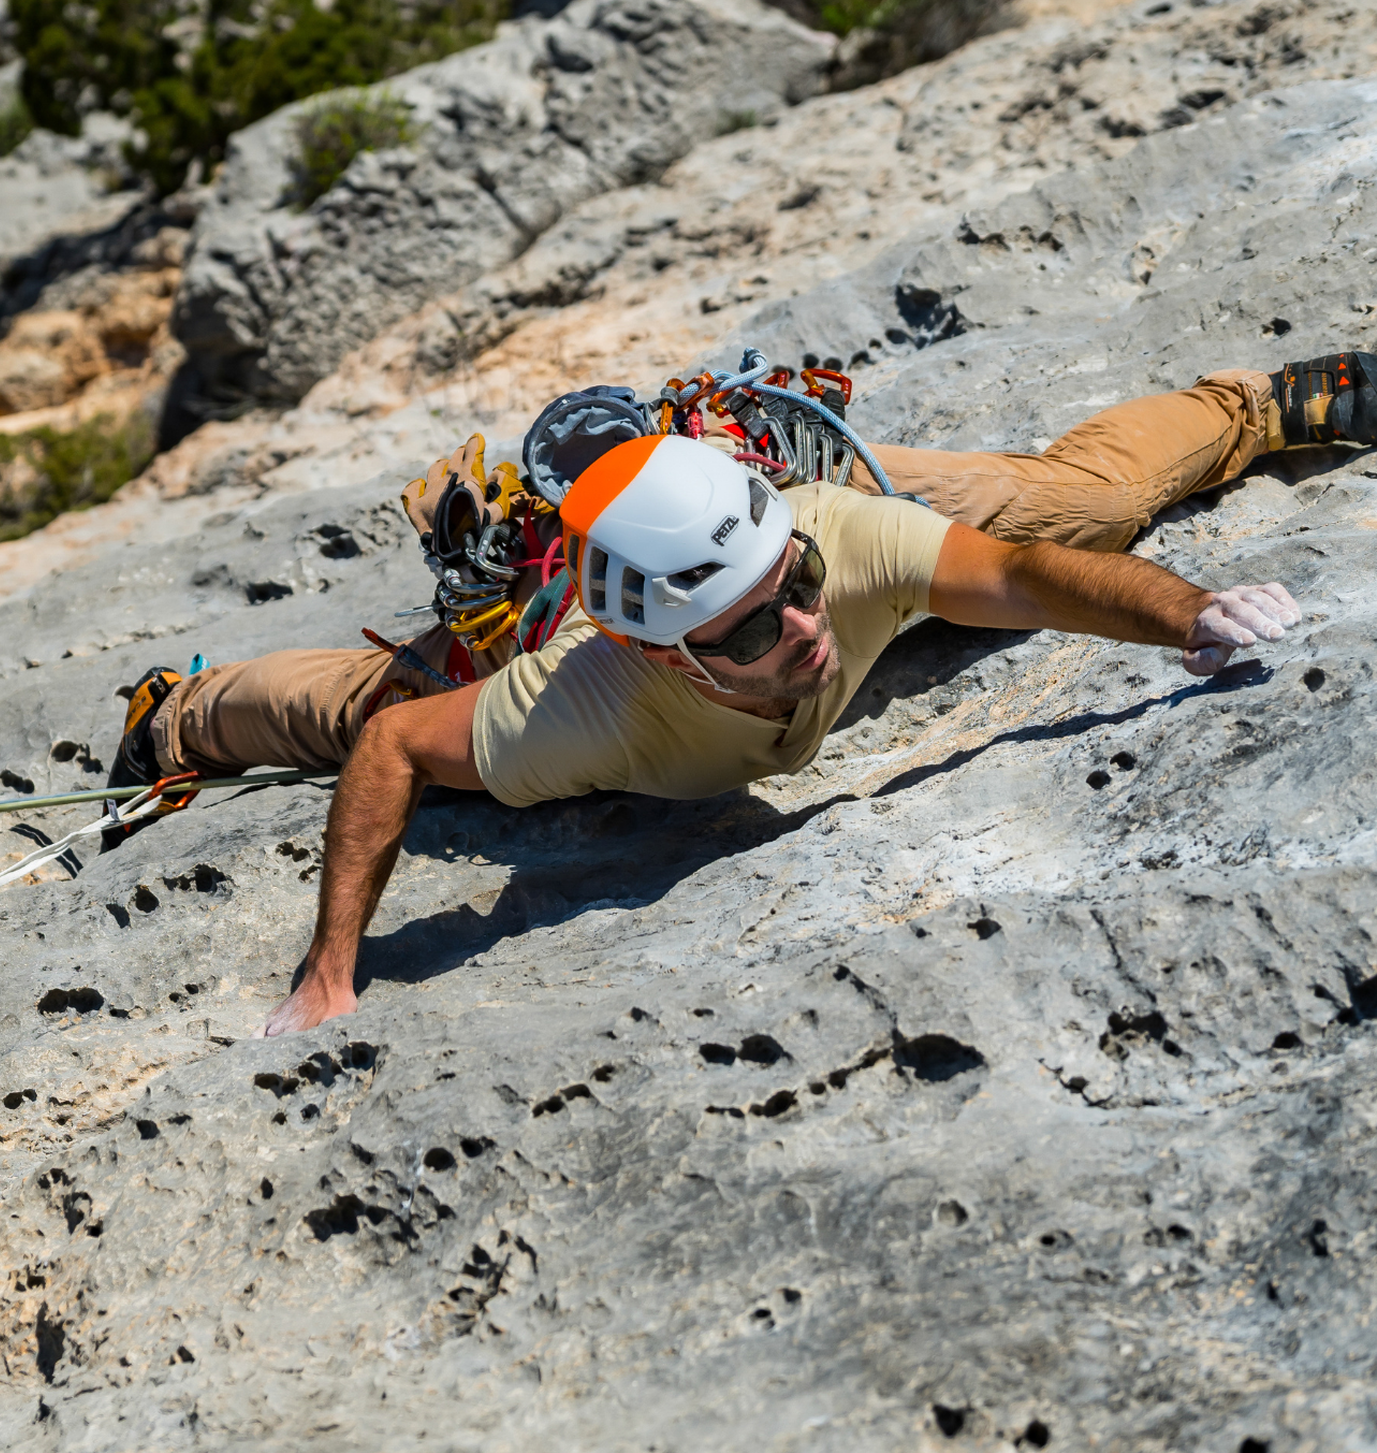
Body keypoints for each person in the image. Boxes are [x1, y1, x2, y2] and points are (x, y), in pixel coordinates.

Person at [112, 350, 1373, 1035]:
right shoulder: (582, 704)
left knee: (1087, 503)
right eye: (752, 629)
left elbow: (1036, 575)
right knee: (345, 708)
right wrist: (334, 970)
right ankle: (171, 710)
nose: (803, 628)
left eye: (800, 589)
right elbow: (389, 746)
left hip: (808, 508)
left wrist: (1186, 615)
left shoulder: (831, 543)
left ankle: (1257, 403)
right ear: (664, 656)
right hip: (549, 638)